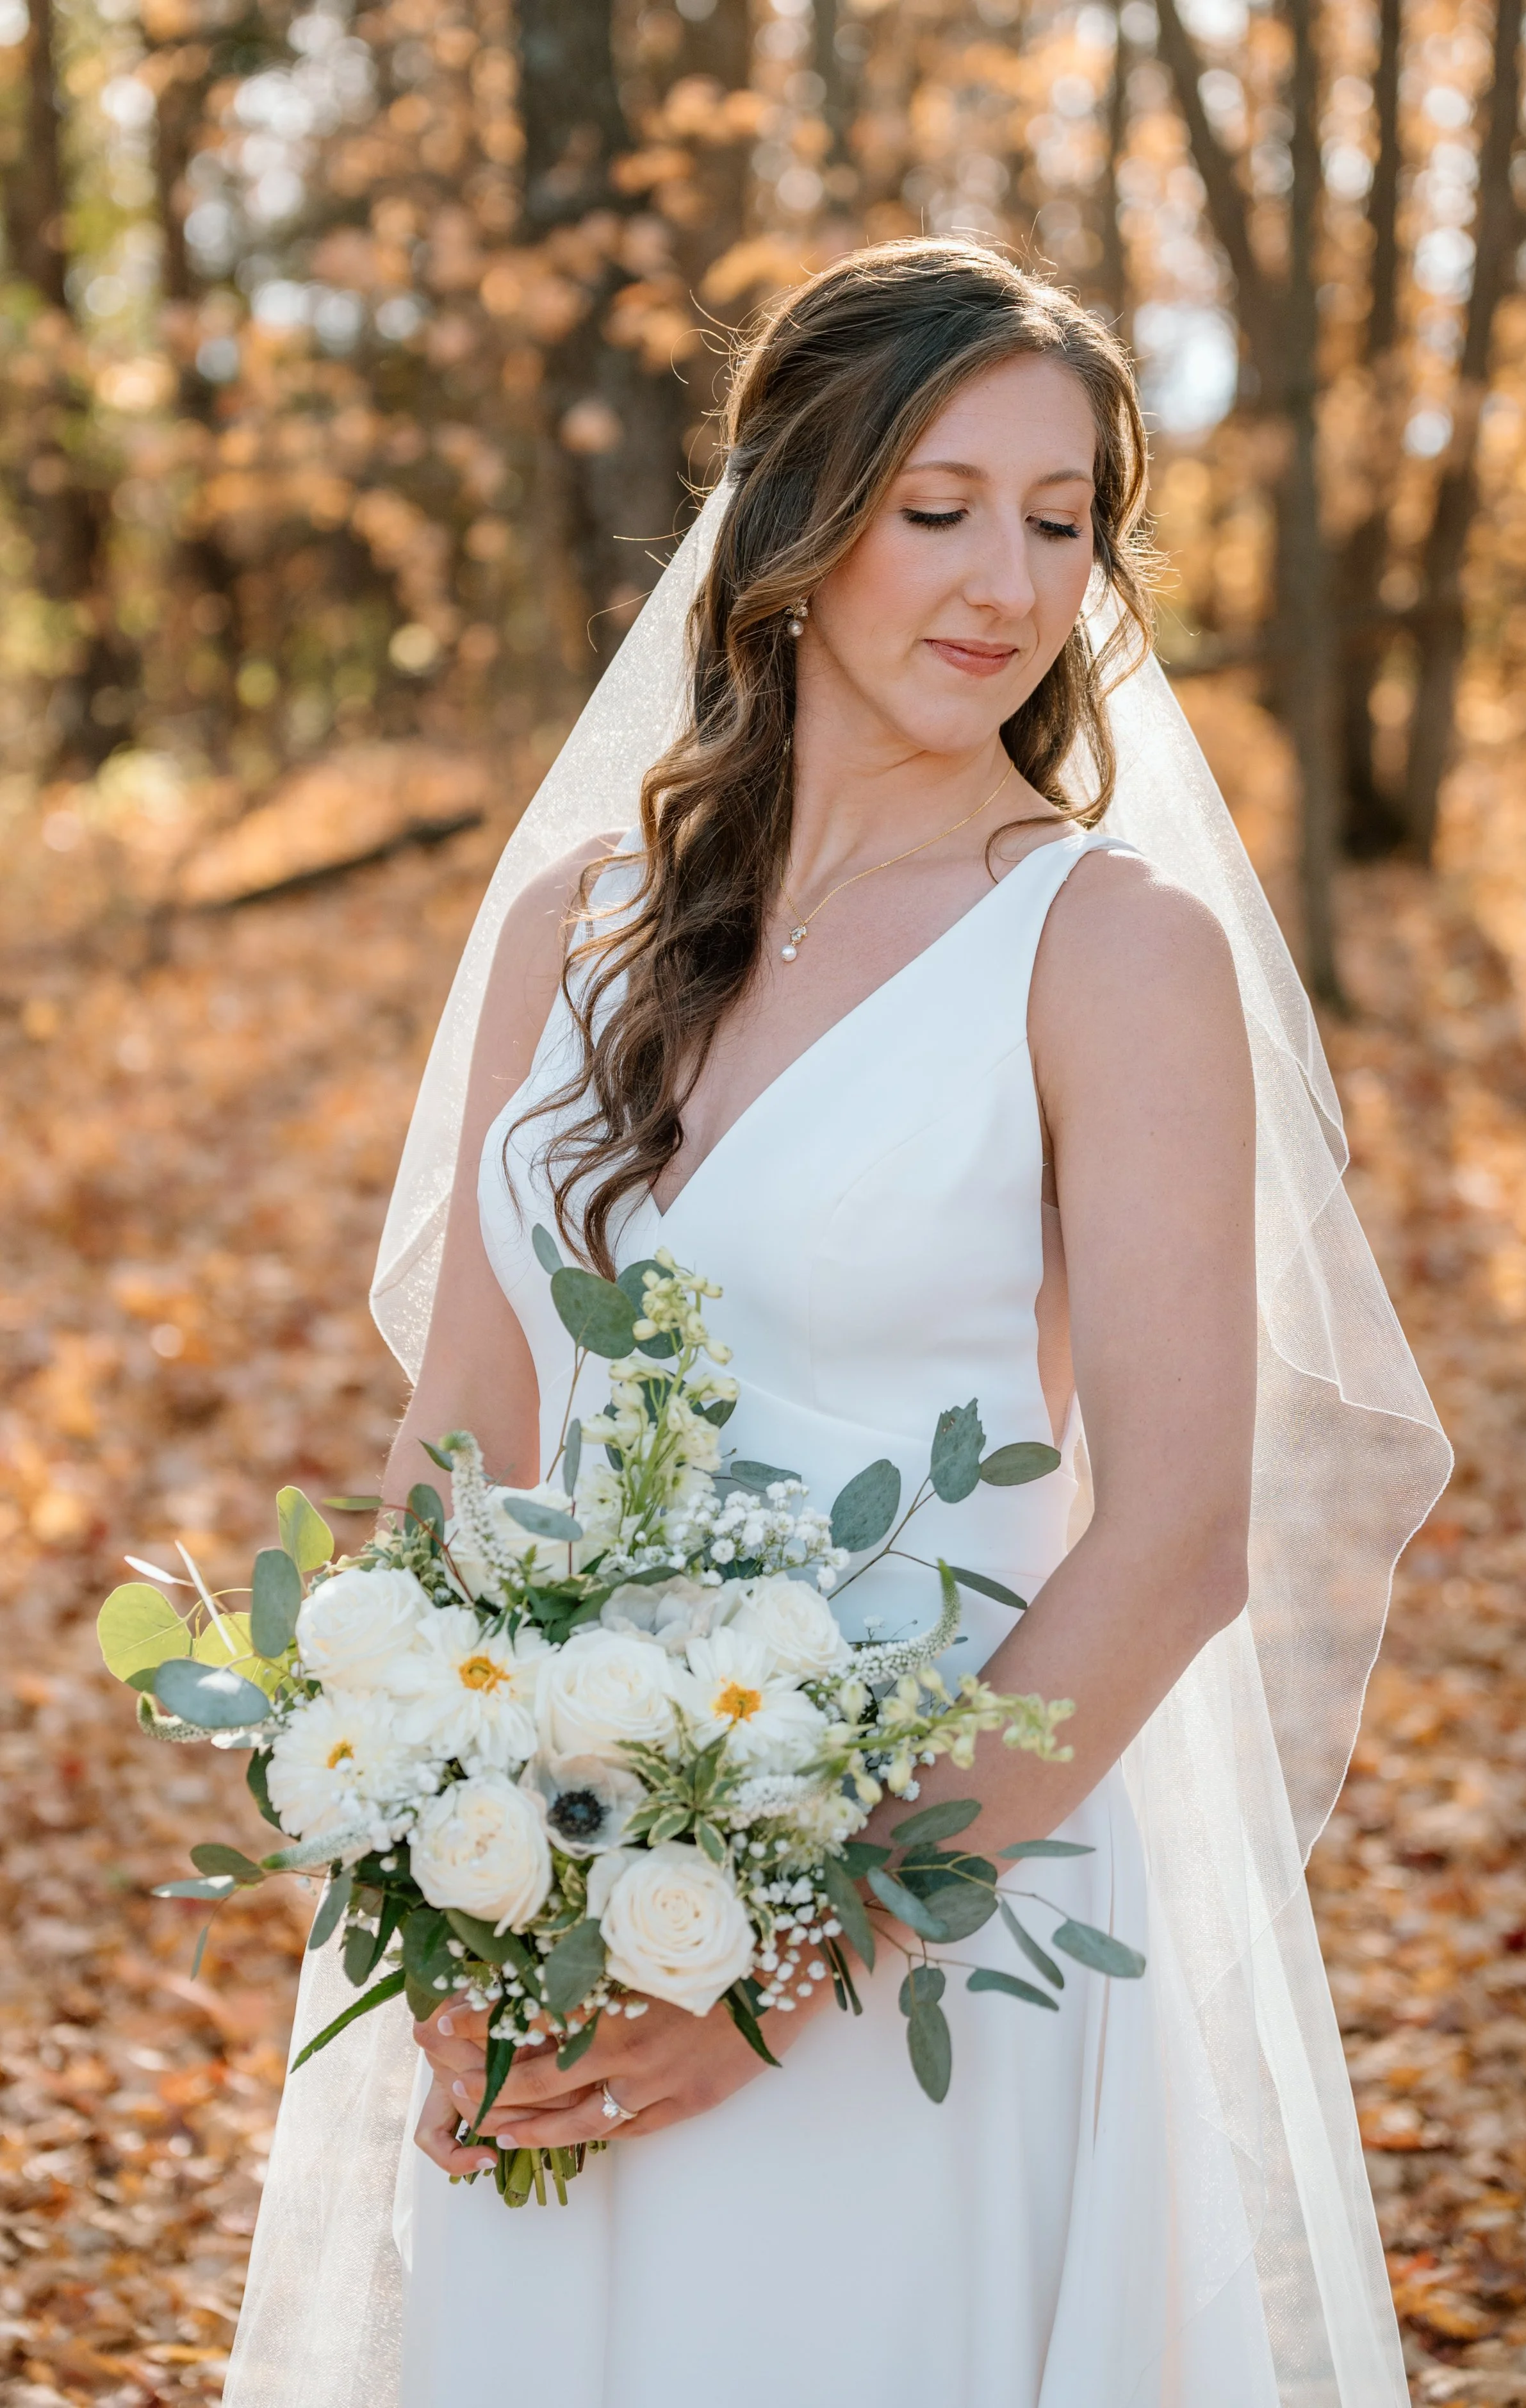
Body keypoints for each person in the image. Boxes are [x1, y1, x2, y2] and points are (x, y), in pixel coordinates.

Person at [222, 240, 1450, 2408]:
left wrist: (790, 1962)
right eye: (936, 503)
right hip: (551, 1907)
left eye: (1061, 519)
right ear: (792, 516)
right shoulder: (575, 925)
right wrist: (429, 1869)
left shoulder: (1103, 947)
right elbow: (465, 1437)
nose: (1004, 581)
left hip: (919, 1938)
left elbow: (1172, 1536)